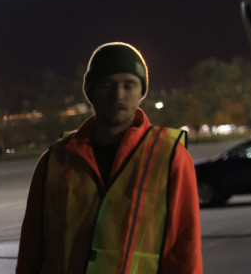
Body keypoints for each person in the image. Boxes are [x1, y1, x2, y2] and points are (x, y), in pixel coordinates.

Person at [17, 42, 202, 274]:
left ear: (141, 92)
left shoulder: (170, 157)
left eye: (129, 85)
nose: (119, 95)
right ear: (91, 91)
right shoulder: (55, 160)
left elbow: (185, 249)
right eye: (107, 84)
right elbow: (31, 249)